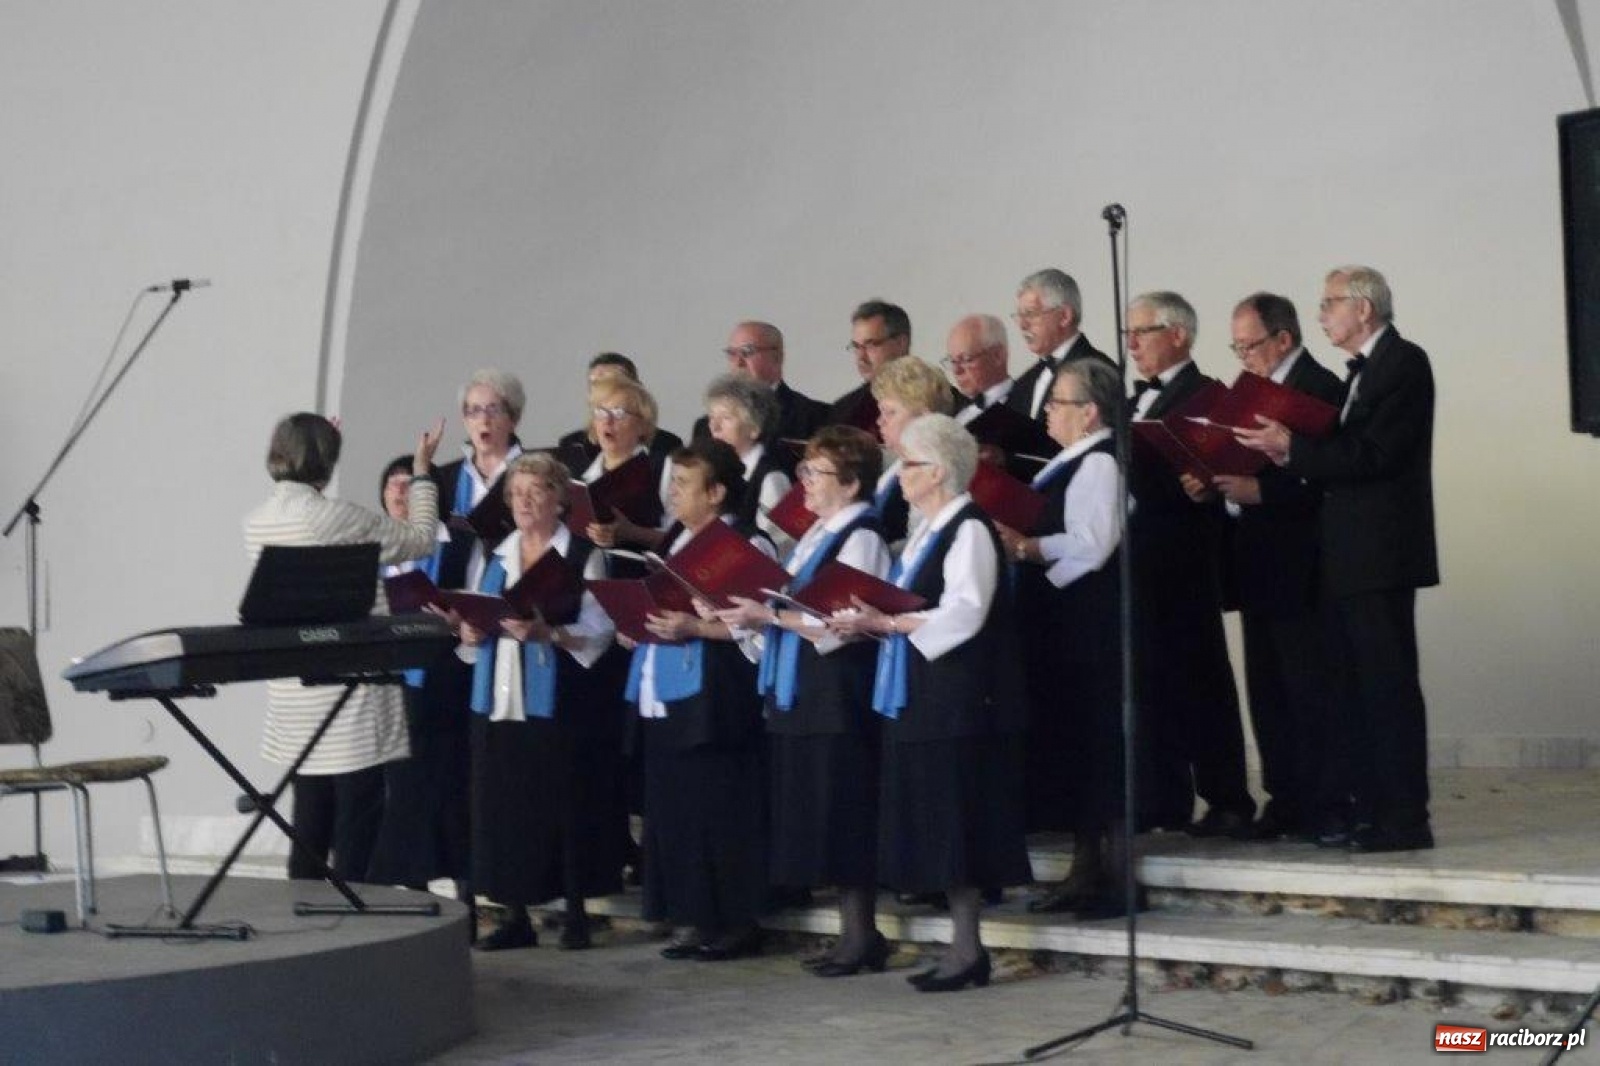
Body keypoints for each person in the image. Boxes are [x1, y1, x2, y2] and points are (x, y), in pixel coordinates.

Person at [1236, 266, 1438, 853]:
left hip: (1381, 555)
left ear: (1365, 309)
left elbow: (1374, 455)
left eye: (1329, 304)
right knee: (1360, 691)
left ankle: (1405, 818)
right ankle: (1374, 811)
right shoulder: (1363, 372)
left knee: (1388, 687)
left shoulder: (1404, 363)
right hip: (1349, 557)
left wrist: (1291, 448)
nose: (1320, 314)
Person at [830, 414, 1030, 993]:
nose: (900, 474)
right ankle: (959, 947)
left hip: (957, 699)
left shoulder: (967, 528)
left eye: (908, 464)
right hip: (922, 693)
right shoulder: (927, 527)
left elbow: (966, 610)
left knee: (956, 820)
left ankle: (969, 950)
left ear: (937, 471)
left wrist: (888, 621)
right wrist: (872, 623)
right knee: (935, 820)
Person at [717, 426, 892, 977]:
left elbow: (840, 625)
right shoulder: (818, 534)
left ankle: (863, 935)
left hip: (839, 691)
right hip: (804, 690)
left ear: (852, 482)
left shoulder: (861, 535)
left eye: (815, 474)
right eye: (803, 472)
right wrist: (758, 612)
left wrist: (768, 615)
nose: (804, 484)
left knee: (844, 811)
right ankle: (849, 934)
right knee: (817, 811)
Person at [243, 412, 442, 881]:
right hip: (351, 684)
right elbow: (421, 540)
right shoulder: (340, 517)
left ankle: (303, 910)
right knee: (358, 809)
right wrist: (422, 474)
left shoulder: (256, 522)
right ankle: (350, 911)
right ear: (327, 461)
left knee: (309, 813)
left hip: (296, 690)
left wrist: (322, 443)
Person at [457, 453, 623, 951]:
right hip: (500, 697)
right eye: (517, 493)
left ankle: (575, 911)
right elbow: (473, 613)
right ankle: (515, 914)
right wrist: (467, 628)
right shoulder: (496, 554)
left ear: (558, 498)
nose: (525, 501)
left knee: (562, 804)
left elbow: (600, 629)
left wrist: (548, 633)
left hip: (561, 700)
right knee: (506, 808)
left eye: (535, 491)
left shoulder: (579, 556)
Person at [1193, 293, 1345, 841]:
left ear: (1283, 339)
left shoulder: (1320, 387)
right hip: (1256, 559)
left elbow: (1326, 480)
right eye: (1236, 346)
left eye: (1251, 345)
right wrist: (1211, 477)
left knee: (1311, 689)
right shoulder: (1243, 395)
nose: (1244, 357)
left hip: (1304, 561)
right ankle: (1285, 800)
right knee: (1269, 689)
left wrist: (1262, 489)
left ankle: (1328, 803)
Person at [628, 440, 774, 961]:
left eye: (684, 484)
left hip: (720, 692)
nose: (673, 493)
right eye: (672, 482)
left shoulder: (745, 543)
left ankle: (736, 920)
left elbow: (758, 628)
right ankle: (691, 914)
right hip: (668, 685)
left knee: (721, 809)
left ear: (716, 493)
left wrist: (696, 625)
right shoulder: (675, 541)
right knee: (677, 808)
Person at [994, 360, 1130, 916]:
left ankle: (1112, 874)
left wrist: (1026, 547)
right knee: (1073, 744)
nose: (1047, 411)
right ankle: (1084, 867)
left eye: (1057, 402)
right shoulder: (1067, 463)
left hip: (1086, 625)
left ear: (1090, 412)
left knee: (1095, 741)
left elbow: (1093, 544)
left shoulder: (1098, 465)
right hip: (1060, 623)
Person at [1124, 292, 1255, 836]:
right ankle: (1163, 798)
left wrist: (1204, 482)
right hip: (1143, 557)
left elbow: (1223, 475)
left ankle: (1227, 796)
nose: (1131, 344)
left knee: (1202, 679)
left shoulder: (1208, 396)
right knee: (1152, 681)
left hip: (1187, 557)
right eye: (1128, 334)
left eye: (1143, 332)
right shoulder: (1132, 400)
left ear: (1178, 334)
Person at [367, 456, 472, 903]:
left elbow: (476, 599)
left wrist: (455, 618)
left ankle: (465, 894)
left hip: (447, 678)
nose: (401, 492)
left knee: (452, 788)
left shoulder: (461, 543)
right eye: (393, 484)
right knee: (404, 793)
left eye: (411, 484)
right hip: (394, 685)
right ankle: (412, 890)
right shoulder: (371, 549)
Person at [691, 322, 829, 454]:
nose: (738, 362)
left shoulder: (817, 417)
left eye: (747, 351)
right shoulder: (705, 427)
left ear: (777, 357)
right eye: (732, 353)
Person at [579, 375, 674, 556]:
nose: (608, 421)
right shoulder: (581, 477)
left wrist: (633, 533)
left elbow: (683, 539)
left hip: (644, 575)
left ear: (642, 425)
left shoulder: (663, 468)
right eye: (601, 412)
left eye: (618, 413)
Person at [702, 373, 795, 555]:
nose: (714, 427)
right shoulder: (713, 469)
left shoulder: (771, 478)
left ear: (754, 428)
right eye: (712, 417)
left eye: (726, 418)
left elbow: (779, 546)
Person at [1007, 269, 1112, 423]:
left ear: (1064, 316)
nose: (1022, 325)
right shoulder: (1025, 381)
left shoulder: (1098, 371)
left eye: (1030, 314)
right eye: (1020, 316)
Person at [869, 356, 954, 545]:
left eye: (890, 412)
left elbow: (924, 544)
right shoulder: (896, 464)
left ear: (924, 417)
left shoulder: (937, 472)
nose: (879, 422)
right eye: (880, 412)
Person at [557, 353, 683, 467]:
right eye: (594, 383)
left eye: (610, 382)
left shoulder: (667, 446)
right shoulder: (572, 445)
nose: (600, 390)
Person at [828, 299, 913, 433]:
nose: (861, 357)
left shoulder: (940, 399)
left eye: (871, 344)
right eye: (856, 346)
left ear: (901, 343)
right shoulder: (844, 413)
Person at [944, 314, 1014, 424]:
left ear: (997, 356)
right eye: (953, 361)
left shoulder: (1029, 398)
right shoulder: (958, 422)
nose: (957, 370)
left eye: (966, 359)